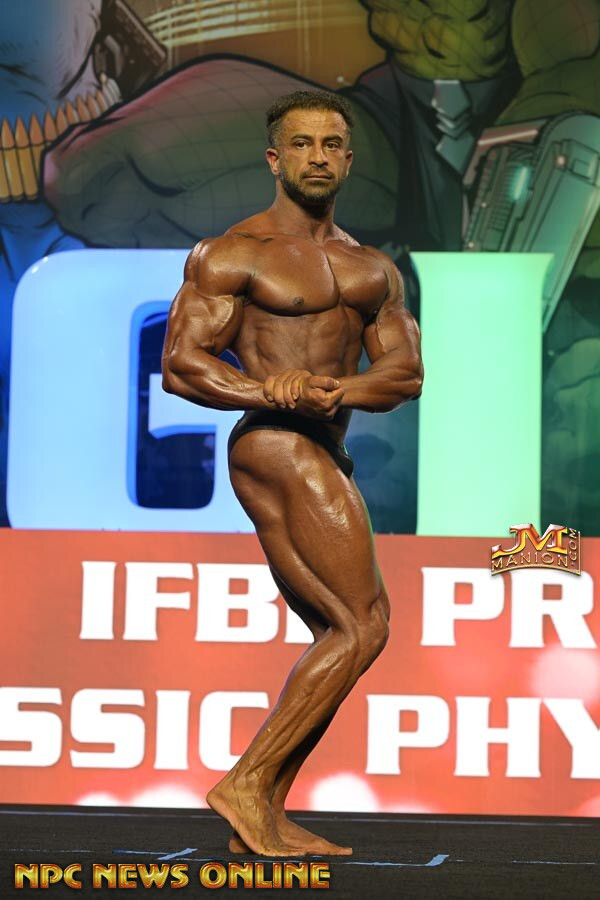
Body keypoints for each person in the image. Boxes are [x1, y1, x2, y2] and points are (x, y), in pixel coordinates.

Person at [161, 89, 424, 857]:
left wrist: (338, 391)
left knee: (339, 633)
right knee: (363, 622)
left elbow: (404, 374)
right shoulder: (235, 252)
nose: (318, 156)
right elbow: (181, 364)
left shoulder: (373, 268)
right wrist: (268, 391)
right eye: (302, 144)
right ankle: (247, 785)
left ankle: (264, 812)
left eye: (331, 144)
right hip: (274, 442)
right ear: (275, 159)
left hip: (323, 444)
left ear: (348, 158)